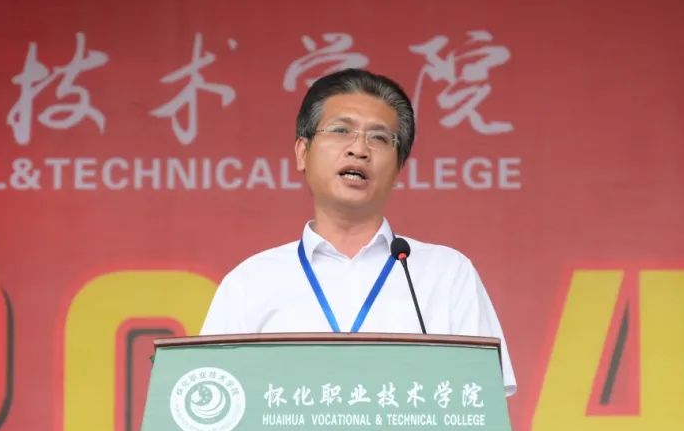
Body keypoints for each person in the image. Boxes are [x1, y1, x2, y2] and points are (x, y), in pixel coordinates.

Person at [199, 68, 516, 396]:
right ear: (303, 152)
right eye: (341, 130)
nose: (359, 149)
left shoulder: (447, 274)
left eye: (379, 138)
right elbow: (213, 399)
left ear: (399, 168)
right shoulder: (251, 281)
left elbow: (483, 405)